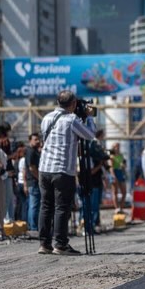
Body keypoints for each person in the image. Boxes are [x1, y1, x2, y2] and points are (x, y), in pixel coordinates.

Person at [38, 90, 96, 255]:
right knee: (62, 207)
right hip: (62, 169)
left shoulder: (47, 118)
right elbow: (90, 135)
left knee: (46, 206)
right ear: (73, 104)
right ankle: (61, 244)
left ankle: (44, 244)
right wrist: (89, 116)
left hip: (44, 168)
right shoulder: (72, 120)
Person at [25, 132, 42, 231]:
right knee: (34, 206)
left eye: (38, 139)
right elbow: (31, 168)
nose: (37, 141)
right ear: (30, 140)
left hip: (36, 181)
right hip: (34, 182)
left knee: (37, 206)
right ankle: (33, 228)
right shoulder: (30, 151)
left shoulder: (35, 151)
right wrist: (40, 179)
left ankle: (35, 227)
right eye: (35, 139)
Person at [110, 142, 127, 213]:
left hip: (120, 172)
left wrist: (124, 166)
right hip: (115, 172)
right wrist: (113, 176)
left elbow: (124, 165)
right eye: (116, 147)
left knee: (124, 192)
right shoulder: (111, 156)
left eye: (118, 147)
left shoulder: (121, 155)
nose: (118, 148)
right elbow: (111, 167)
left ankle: (121, 207)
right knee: (115, 191)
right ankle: (116, 208)